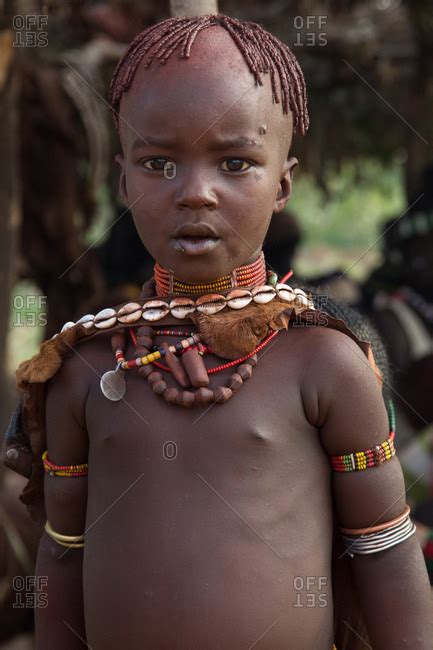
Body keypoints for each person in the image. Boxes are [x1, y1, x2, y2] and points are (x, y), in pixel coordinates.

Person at [3, 14, 433, 650]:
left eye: (235, 162)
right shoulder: (84, 370)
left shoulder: (325, 363)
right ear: (122, 180)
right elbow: (62, 560)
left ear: (283, 181)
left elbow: (385, 556)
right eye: (159, 163)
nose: (195, 193)